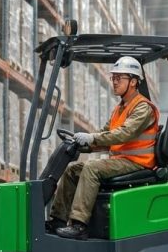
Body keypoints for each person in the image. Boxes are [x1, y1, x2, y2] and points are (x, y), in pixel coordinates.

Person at [49, 56, 160, 240]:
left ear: (133, 81)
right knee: (73, 170)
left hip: (138, 163)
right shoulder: (119, 109)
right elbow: (105, 134)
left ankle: (79, 225)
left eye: (119, 78)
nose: (114, 82)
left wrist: (92, 138)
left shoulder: (143, 108)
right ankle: (58, 220)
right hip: (120, 161)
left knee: (92, 168)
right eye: (113, 78)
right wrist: (82, 144)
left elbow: (124, 133)